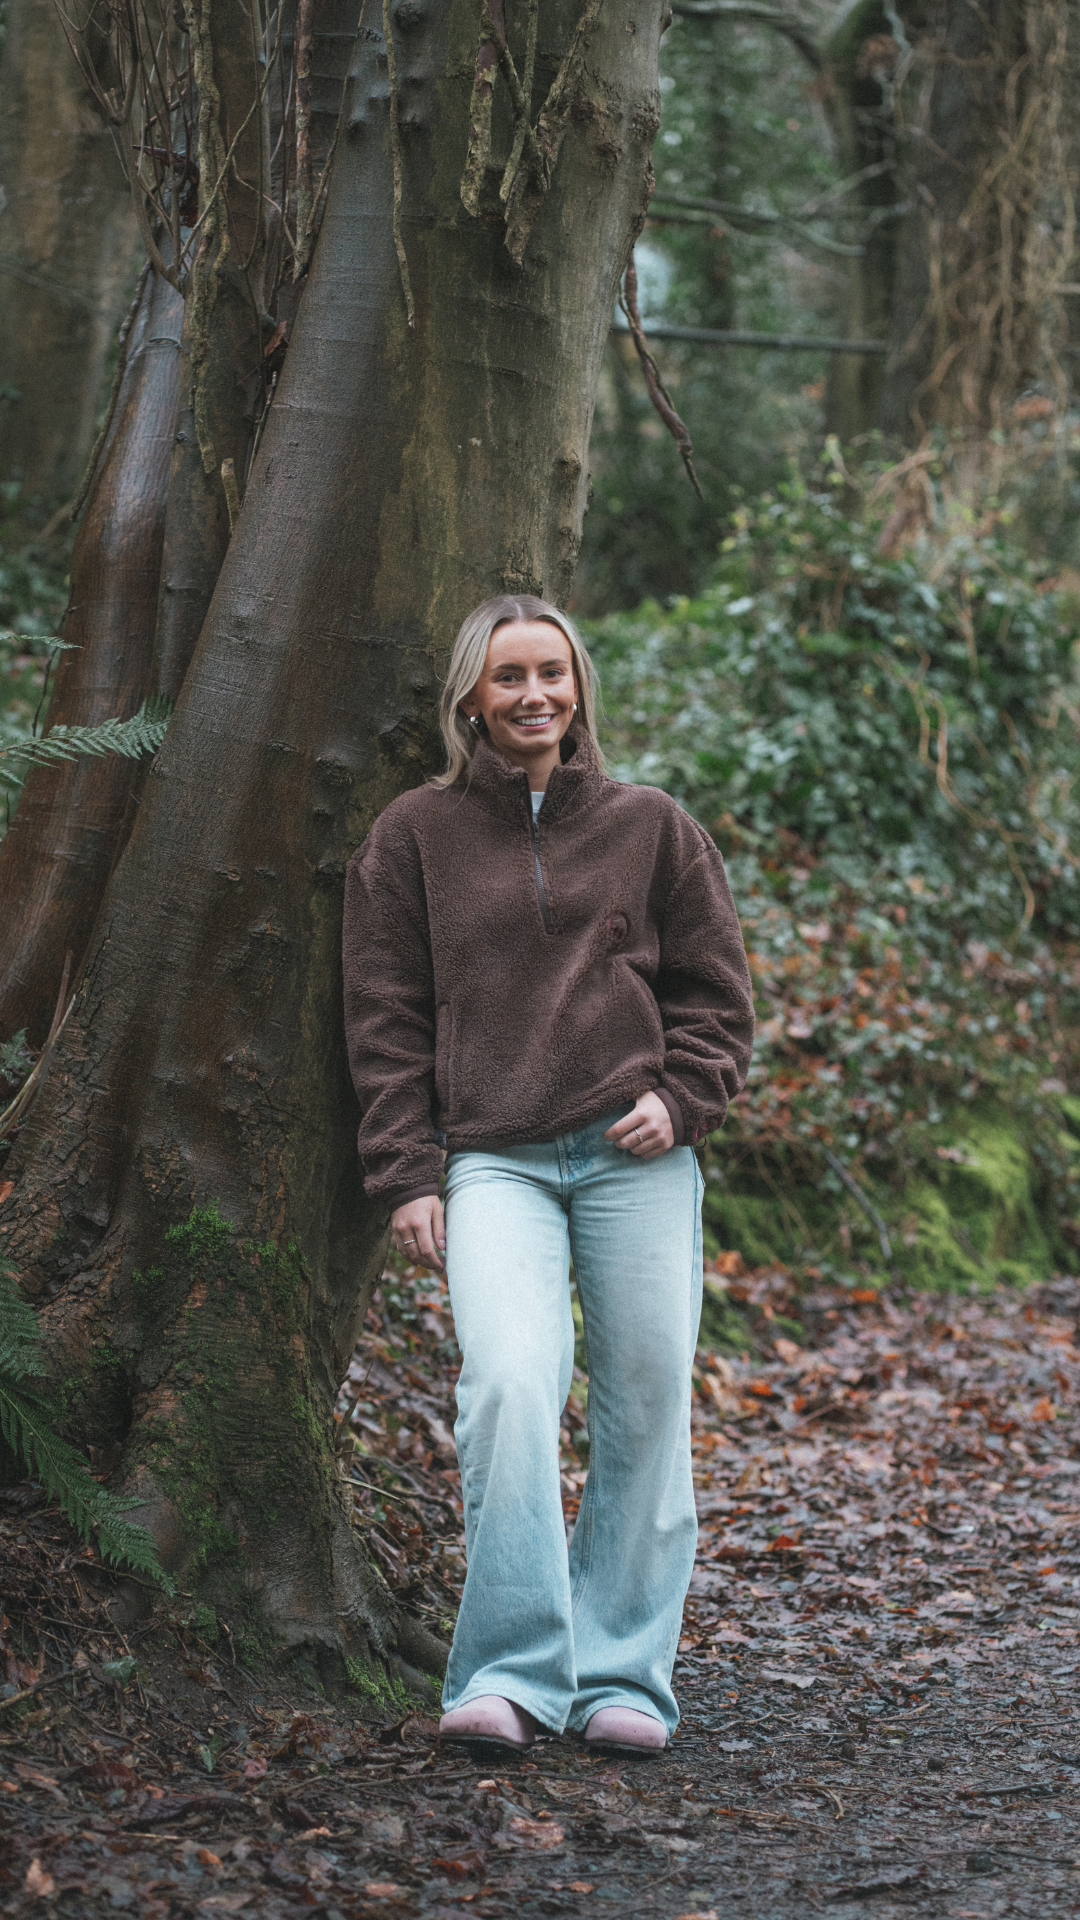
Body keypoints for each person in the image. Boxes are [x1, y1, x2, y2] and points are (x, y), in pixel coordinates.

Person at [343, 593, 754, 1757]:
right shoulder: (412, 837)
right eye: (510, 676)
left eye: (553, 673)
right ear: (470, 698)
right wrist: (407, 1171)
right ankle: (514, 1672)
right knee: (510, 1387)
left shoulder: (652, 825)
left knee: (647, 1395)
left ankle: (622, 1675)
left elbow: (718, 993)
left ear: (579, 689)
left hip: (636, 1158)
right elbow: (383, 1017)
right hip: (494, 1162)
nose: (535, 695)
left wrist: (683, 1097)